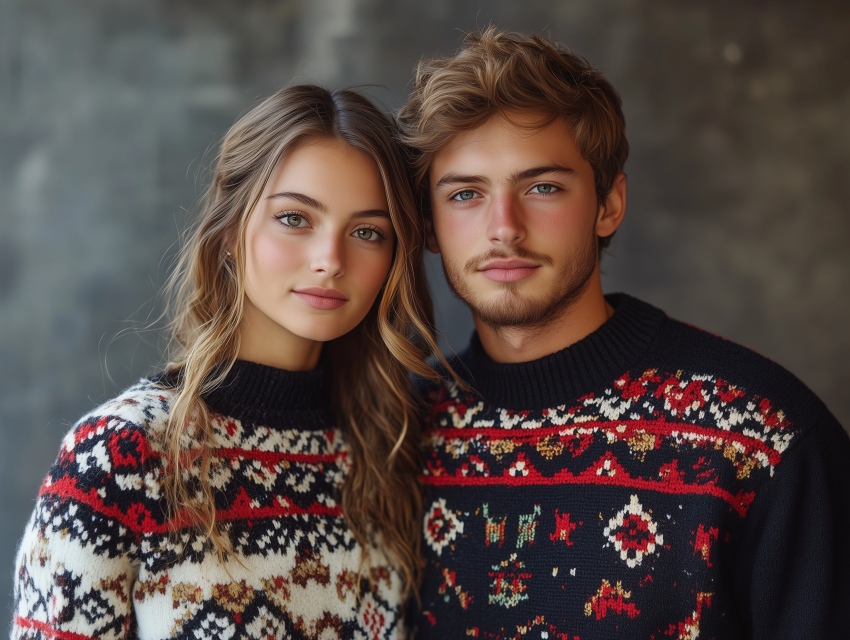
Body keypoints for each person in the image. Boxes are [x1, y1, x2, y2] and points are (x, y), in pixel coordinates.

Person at [397, 28, 850, 639]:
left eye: (543, 187)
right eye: (466, 194)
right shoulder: (400, 433)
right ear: (429, 223)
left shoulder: (764, 439)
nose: (503, 227)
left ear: (608, 204)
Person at [12, 85, 449, 640]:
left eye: (367, 232)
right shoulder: (123, 456)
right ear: (227, 231)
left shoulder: (388, 451)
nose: (330, 261)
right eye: (295, 219)